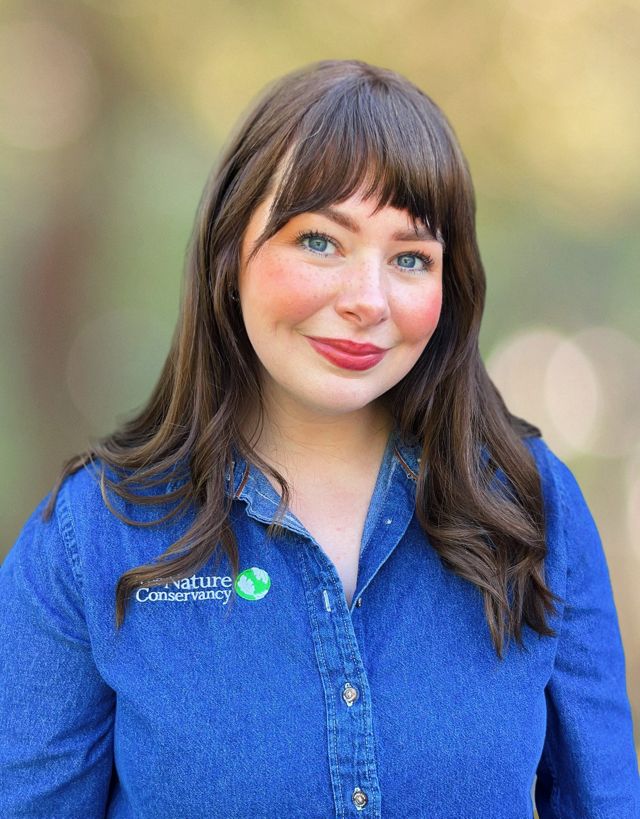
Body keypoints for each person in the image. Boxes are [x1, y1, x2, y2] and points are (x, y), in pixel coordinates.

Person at [0, 59, 638, 819]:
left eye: (410, 258)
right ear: (230, 253)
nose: (368, 300)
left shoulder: (533, 506)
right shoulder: (91, 536)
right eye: (320, 242)